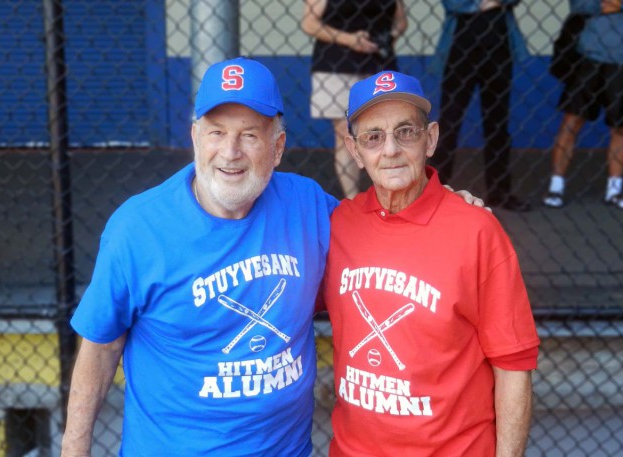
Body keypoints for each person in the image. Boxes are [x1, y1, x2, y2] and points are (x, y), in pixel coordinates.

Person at [60, 57, 483, 456]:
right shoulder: (139, 228)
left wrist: (439, 207)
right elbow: (100, 347)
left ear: (277, 147)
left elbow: (382, 232)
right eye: (216, 132)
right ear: (194, 138)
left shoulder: (308, 206)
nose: (230, 152)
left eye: (249, 134)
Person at [322, 70, 540, 456]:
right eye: (373, 137)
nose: (390, 150)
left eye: (406, 132)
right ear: (355, 151)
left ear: (431, 139)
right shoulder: (337, 224)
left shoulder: (476, 231)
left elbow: (514, 365)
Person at [430, 0, 532, 211]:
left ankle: (499, 192)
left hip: (498, 45)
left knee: (498, 123)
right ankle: (434, 191)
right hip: (460, 47)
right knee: (450, 121)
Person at [301, 0, 407, 198]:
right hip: (335, 65)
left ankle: (386, 194)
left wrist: (385, 39)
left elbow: (400, 22)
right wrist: (349, 40)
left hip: (379, 65)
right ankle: (353, 200)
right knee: (345, 133)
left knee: (387, 131)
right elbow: (309, 23)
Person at [542, 0, 623, 210]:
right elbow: (580, 5)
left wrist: (620, 4)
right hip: (588, 57)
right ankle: (555, 186)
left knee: (620, 127)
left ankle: (614, 191)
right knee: (572, 120)